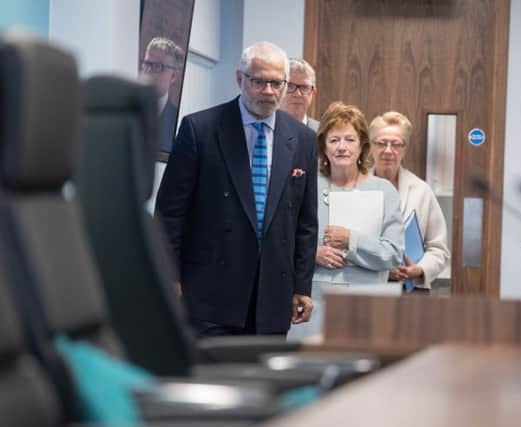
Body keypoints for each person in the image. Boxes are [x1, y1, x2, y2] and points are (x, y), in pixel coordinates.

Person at [155, 41, 318, 337]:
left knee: (266, 380)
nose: (268, 91)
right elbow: (170, 213)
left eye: (276, 83)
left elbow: (306, 222)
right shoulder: (200, 129)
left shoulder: (303, 139)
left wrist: (302, 286)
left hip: (272, 295)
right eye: (258, 82)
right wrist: (170, 275)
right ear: (240, 78)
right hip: (210, 292)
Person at [288, 102, 403, 341]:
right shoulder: (305, 185)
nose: (342, 147)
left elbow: (393, 254)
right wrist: (312, 252)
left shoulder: (384, 191)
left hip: (367, 304)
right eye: (334, 140)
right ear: (323, 147)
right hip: (312, 303)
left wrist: (352, 240)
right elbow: (281, 241)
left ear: (362, 145)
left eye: (349, 140)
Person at [370, 111, 450, 292]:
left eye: (396, 144)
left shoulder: (421, 191)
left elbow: (439, 249)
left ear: (404, 149)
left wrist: (419, 269)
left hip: (412, 291)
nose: (388, 150)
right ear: (371, 146)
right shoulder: (356, 187)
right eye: (381, 143)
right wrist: (382, 269)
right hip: (367, 288)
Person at [140, 36, 185, 154]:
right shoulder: (125, 111)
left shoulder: (179, 122)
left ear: (174, 76)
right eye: (146, 64)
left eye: (157, 67)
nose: (148, 71)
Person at [279, 58, 319, 131]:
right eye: (290, 86)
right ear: (278, 89)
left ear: (313, 93)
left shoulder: (324, 133)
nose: (297, 94)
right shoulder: (262, 130)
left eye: (304, 87)